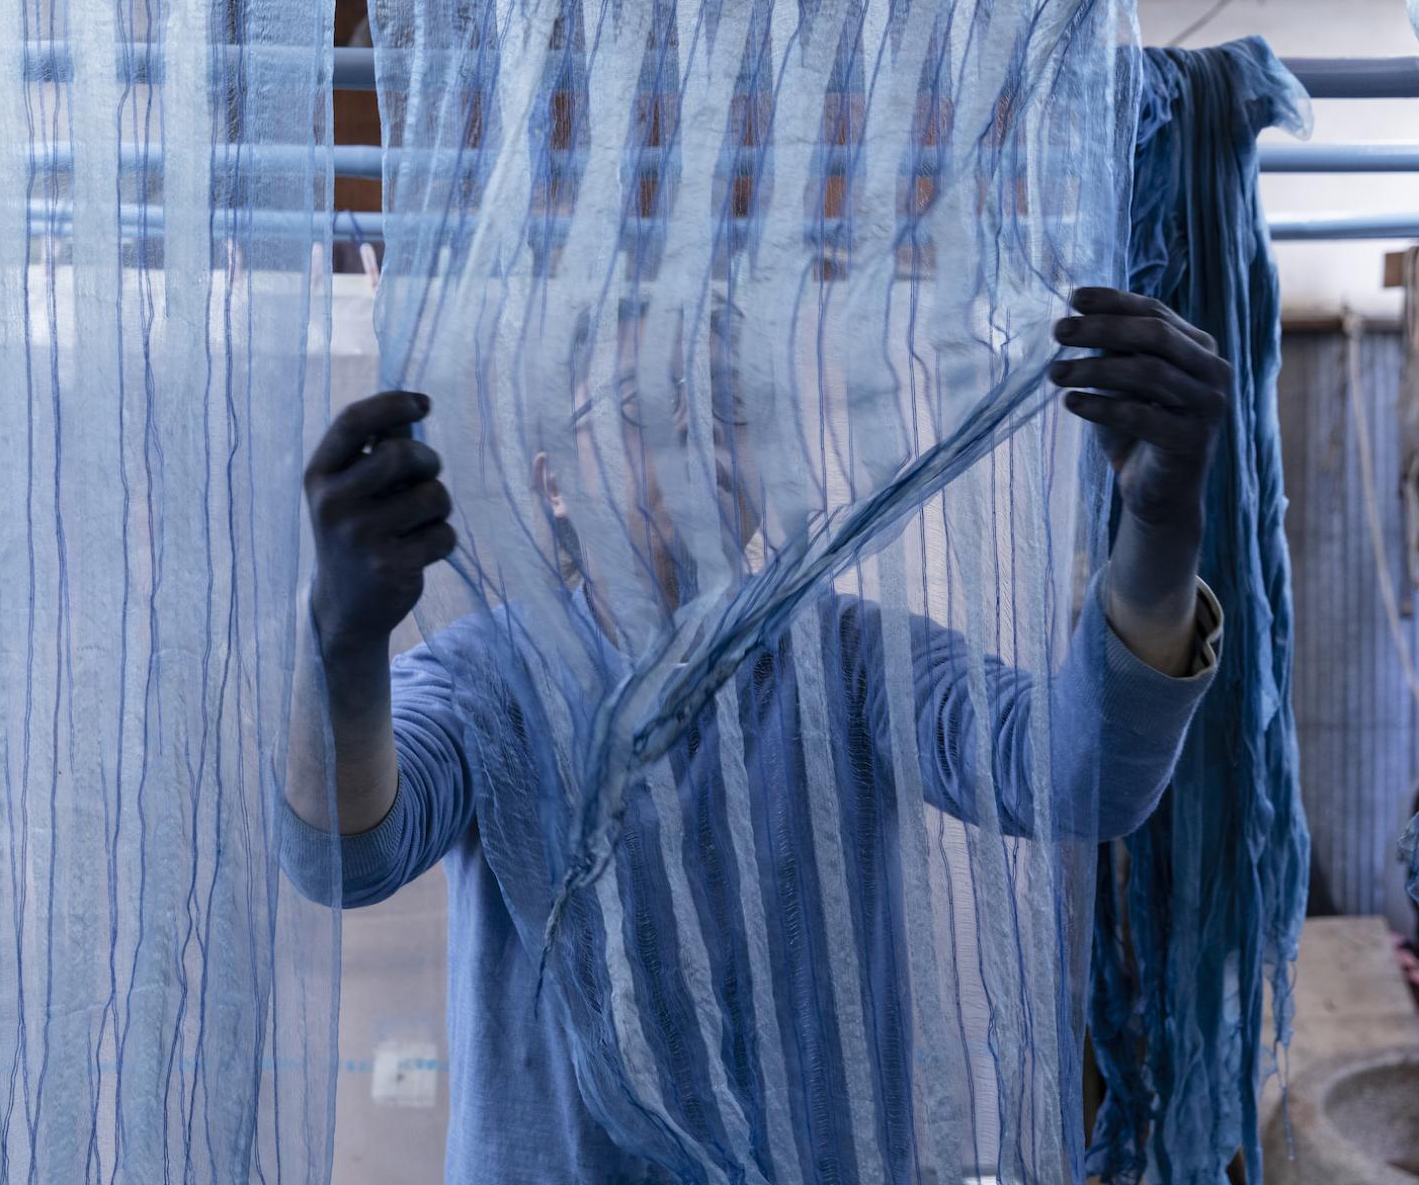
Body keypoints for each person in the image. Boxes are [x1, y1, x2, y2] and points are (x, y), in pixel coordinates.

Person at [281, 287, 1231, 1181]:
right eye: (643, 411)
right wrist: (341, 643)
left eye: (728, 407)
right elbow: (346, 859)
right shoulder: (485, 680)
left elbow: (1081, 778)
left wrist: (1159, 529)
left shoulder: (855, 664)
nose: (697, 447)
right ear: (555, 484)